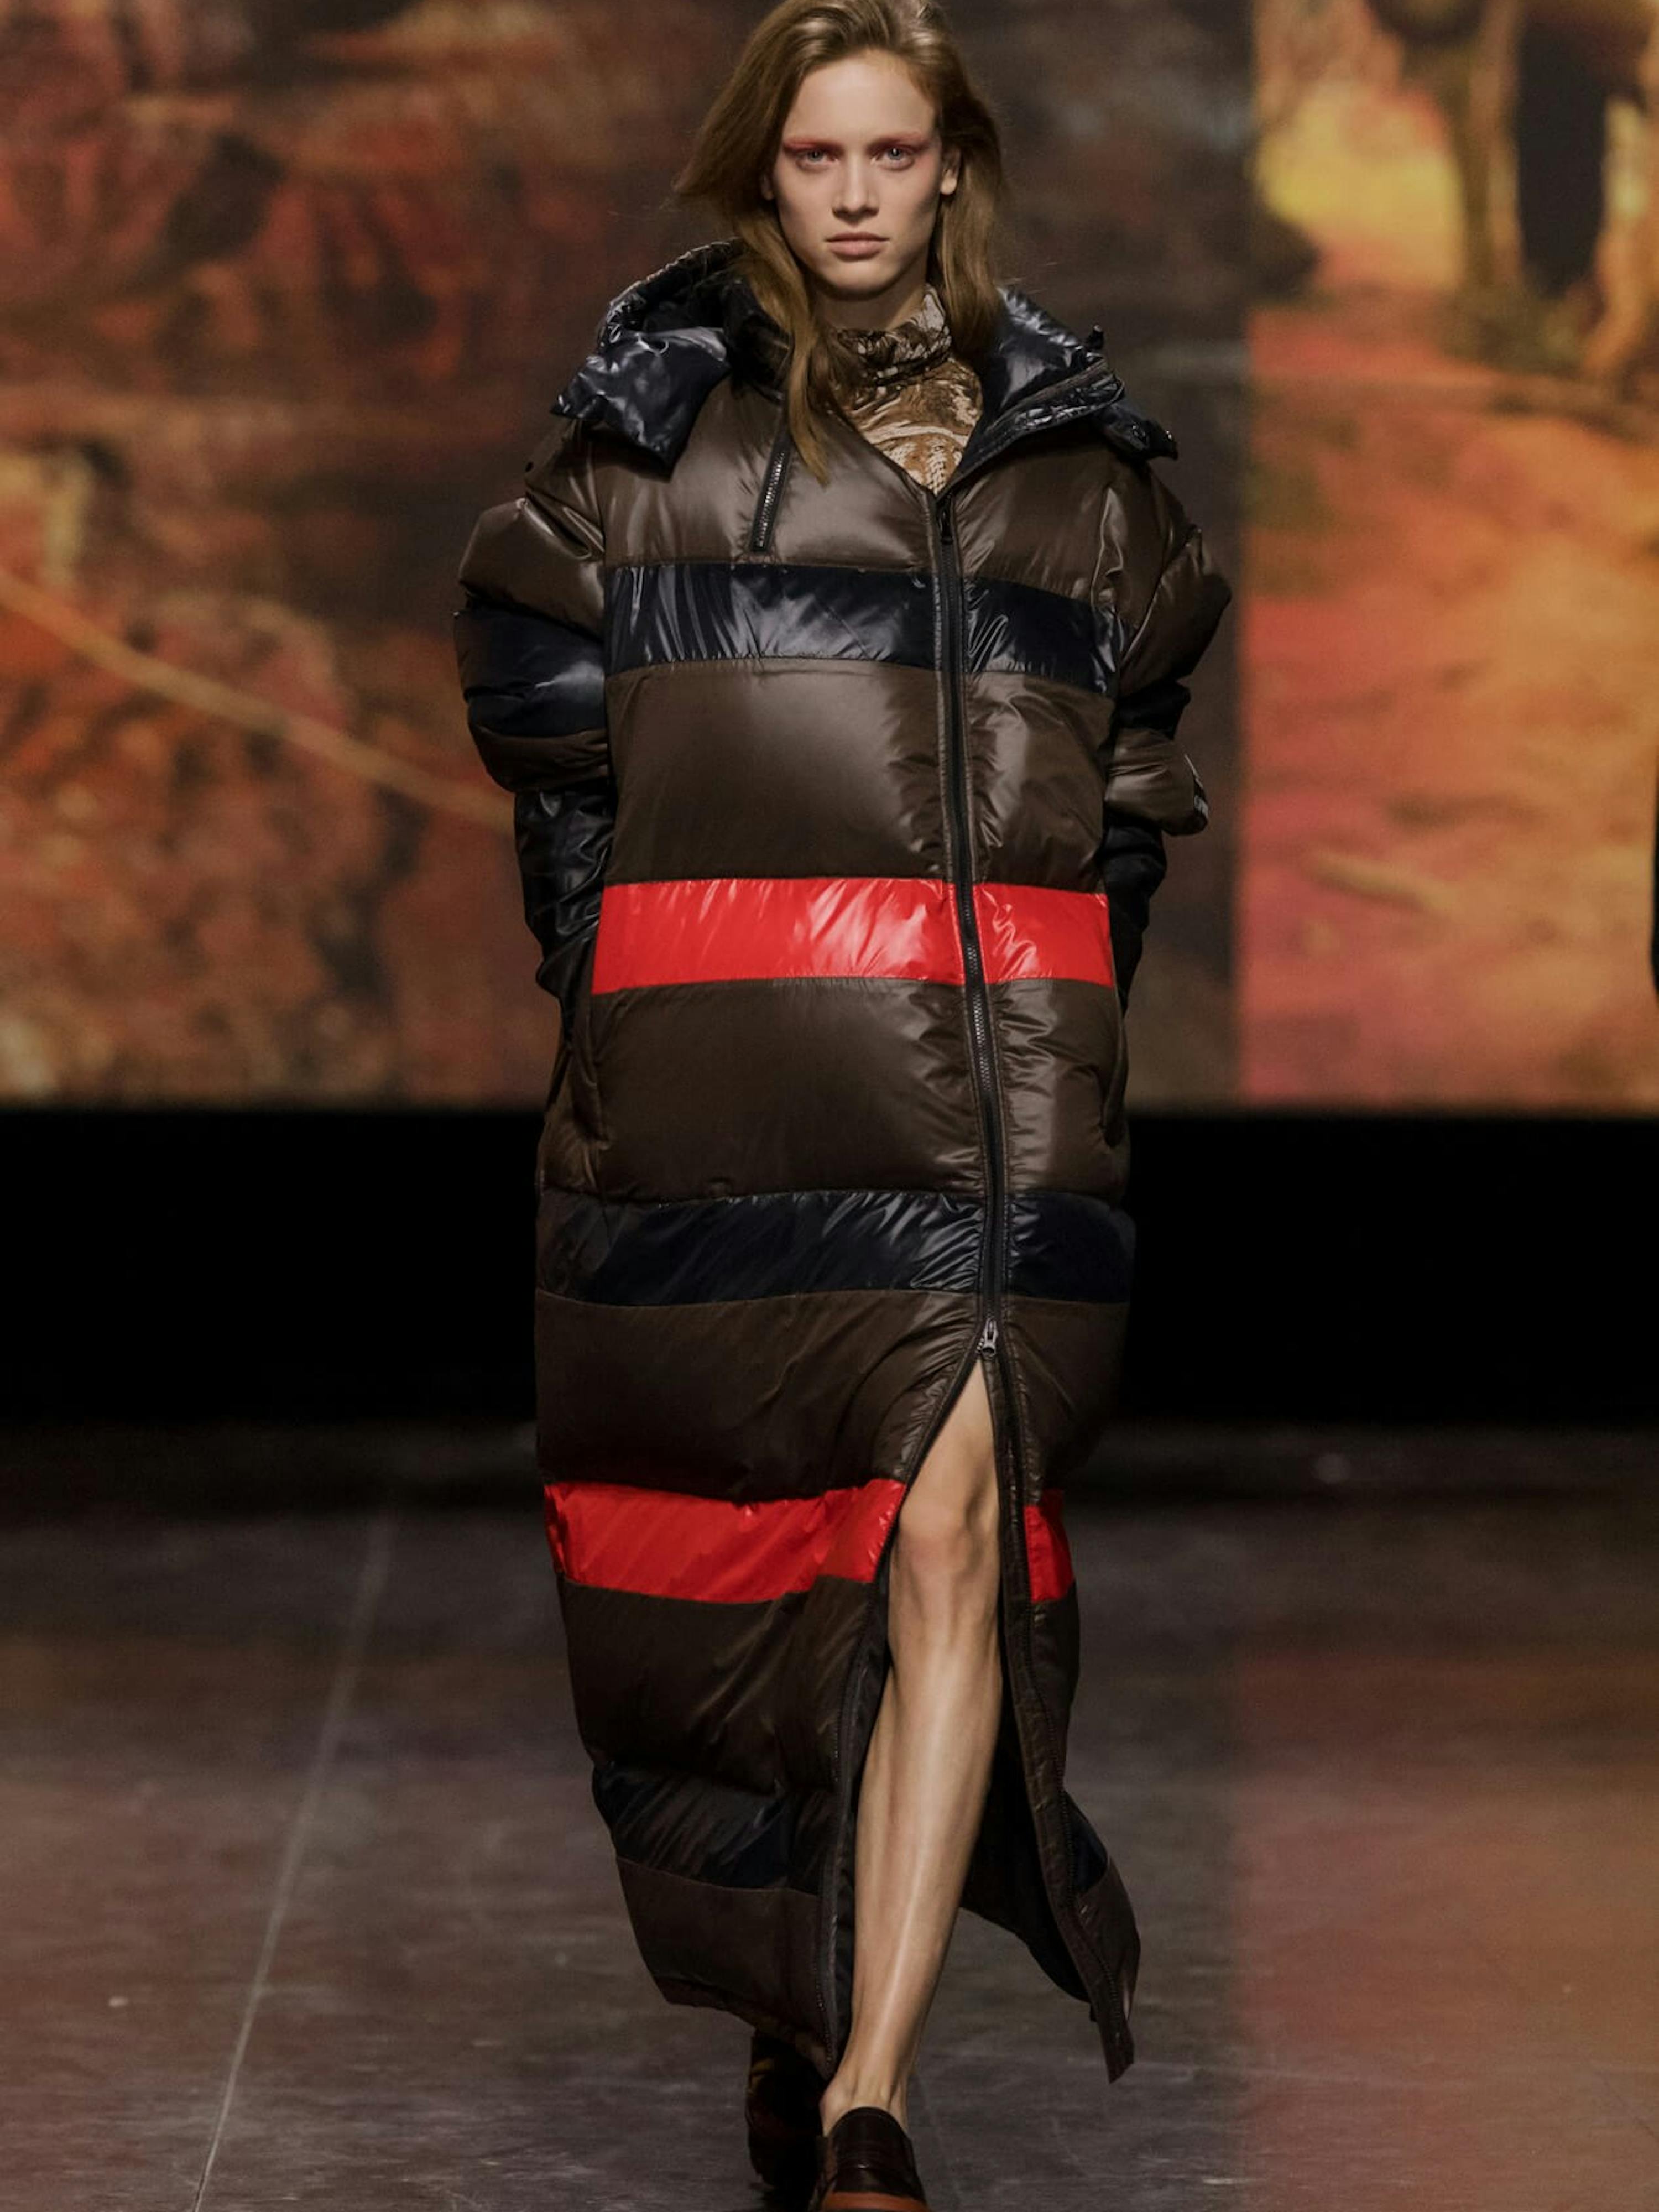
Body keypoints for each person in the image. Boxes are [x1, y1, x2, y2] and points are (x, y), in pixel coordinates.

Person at [453, 4, 1232, 2205]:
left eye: (896, 152)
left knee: (955, 1535)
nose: (862, 194)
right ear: (763, 174)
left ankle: (871, 2091)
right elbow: (544, 714)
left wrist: (1080, 992)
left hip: (997, 1121)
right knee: (786, 1573)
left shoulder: (1081, 471)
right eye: (819, 157)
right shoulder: (654, 440)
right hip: (738, 1091)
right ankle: (804, 2010)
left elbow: (1137, 759)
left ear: (954, 163)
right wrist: (605, 979)